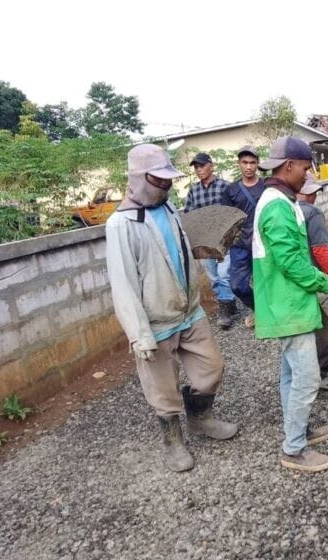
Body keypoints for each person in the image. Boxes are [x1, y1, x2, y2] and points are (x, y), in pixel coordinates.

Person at [105, 144, 238, 473]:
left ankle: (200, 417)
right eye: (158, 180)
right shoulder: (121, 224)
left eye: (168, 180)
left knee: (212, 370)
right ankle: (172, 440)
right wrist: (139, 336)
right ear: (138, 177)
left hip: (188, 312)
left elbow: (182, 251)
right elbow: (122, 284)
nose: (165, 186)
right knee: (162, 390)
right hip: (155, 322)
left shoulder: (169, 210)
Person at [252, 136, 328, 473]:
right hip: (288, 305)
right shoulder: (277, 206)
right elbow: (291, 262)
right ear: (288, 165)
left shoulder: (278, 200)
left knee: (291, 374)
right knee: (307, 377)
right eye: (305, 168)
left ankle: (299, 430)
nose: (306, 175)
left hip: (289, 304)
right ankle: (294, 449)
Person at [295, 173, 328, 392]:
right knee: (324, 328)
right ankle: (318, 375)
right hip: (314, 277)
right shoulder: (312, 213)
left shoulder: (286, 209)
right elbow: (320, 250)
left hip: (295, 280)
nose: (316, 195)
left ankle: (300, 374)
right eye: (314, 191)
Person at [184, 152, 235, 329]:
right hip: (204, 241)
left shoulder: (225, 187)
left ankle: (225, 309)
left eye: (201, 166)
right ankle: (229, 302)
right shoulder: (194, 191)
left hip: (223, 240)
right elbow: (189, 214)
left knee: (223, 274)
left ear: (211, 166)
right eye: (196, 167)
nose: (198, 170)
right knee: (213, 276)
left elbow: (233, 212)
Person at [221, 145, 265, 327]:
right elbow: (227, 219)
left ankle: (268, 313)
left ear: (257, 164)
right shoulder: (231, 190)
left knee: (267, 281)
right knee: (238, 285)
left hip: (264, 242)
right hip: (240, 245)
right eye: (245, 162)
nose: (248, 166)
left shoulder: (266, 185)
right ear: (239, 164)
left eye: (252, 162)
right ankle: (257, 308)